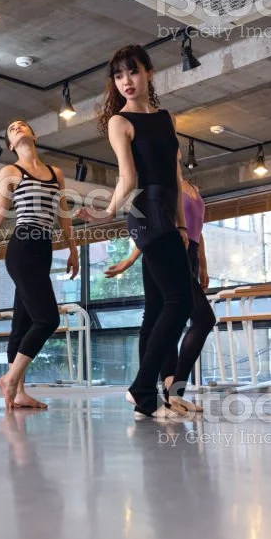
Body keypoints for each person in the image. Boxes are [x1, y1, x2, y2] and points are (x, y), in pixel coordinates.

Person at [77, 45, 193, 419]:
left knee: (160, 306)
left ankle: (150, 392)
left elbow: (175, 176)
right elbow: (129, 177)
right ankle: (142, 390)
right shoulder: (119, 122)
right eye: (119, 75)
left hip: (167, 213)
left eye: (133, 72)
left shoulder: (165, 118)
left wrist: (181, 223)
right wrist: (107, 213)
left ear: (149, 73)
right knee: (181, 302)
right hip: (144, 211)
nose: (126, 82)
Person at [0, 120, 79, 410]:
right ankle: (10, 378)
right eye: (11, 129)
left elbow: (62, 214)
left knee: (22, 322)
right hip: (22, 245)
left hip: (44, 247)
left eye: (22, 126)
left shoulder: (55, 173)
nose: (17, 129)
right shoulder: (10, 171)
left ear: (34, 135)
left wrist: (73, 250)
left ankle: (20, 392)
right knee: (47, 318)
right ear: (10, 145)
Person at [105, 171, 216, 412]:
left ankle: (169, 393)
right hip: (165, 249)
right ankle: (164, 390)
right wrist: (130, 258)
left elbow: (198, 230)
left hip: (188, 253)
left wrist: (203, 265)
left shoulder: (192, 189)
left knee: (163, 319)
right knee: (198, 318)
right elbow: (150, 222)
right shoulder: (165, 183)